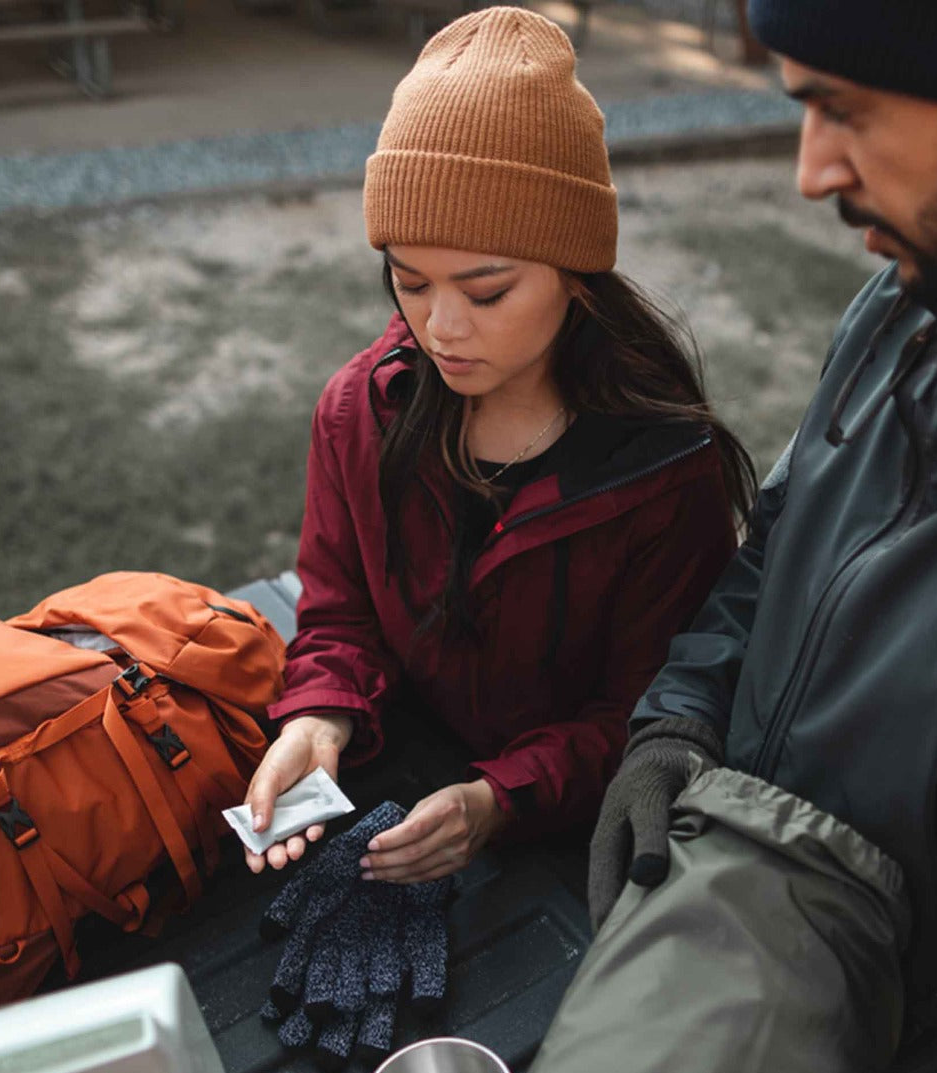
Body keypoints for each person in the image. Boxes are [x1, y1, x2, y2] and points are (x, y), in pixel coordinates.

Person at [584, 0, 937, 1073]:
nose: (810, 171)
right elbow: (786, 545)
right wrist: (678, 721)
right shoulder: (912, 298)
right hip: (765, 1026)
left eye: (844, 109)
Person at [243, 6, 755, 885]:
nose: (441, 328)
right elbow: (339, 613)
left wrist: (498, 798)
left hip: (588, 847)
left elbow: (655, 710)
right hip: (398, 781)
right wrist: (318, 721)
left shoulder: (664, 470)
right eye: (408, 281)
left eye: (487, 291)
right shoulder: (356, 414)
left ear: (575, 269)